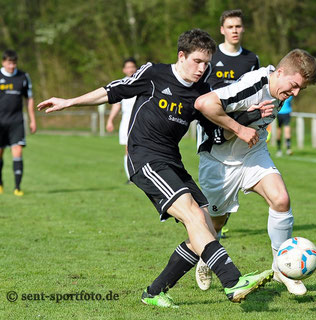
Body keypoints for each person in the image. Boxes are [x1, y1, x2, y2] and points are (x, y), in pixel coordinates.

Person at [37, 29, 274, 308]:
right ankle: (233, 282)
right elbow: (112, 91)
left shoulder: (202, 93)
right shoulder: (154, 73)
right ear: (181, 56)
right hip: (144, 158)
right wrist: (69, 102)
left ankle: (154, 292)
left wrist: (251, 116)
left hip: (172, 161)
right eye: (197, 61)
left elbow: (220, 127)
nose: (202, 69)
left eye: (206, 63)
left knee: (204, 225)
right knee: (192, 216)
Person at [195, 49, 316, 296]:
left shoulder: (280, 90)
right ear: (280, 72)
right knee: (216, 222)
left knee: (281, 200)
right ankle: (206, 256)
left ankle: (282, 269)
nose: (295, 94)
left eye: (300, 90)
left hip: (254, 154)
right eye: (294, 86)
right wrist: (240, 128)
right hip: (220, 160)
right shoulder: (253, 86)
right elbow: (203, 104)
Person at [205, 9, 260, 240]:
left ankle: (221, 218)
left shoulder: (251, 59)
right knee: (215, 174)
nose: (234, 30)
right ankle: (213, 218)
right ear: (222, 30)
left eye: (238, 26)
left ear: (243, 28)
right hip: (212, 122)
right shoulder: (211, 56)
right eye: (230, 27)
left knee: (237, 170)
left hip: (242, 124)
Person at [0, 49, 36, 196]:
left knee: (18, 151)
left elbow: (30, 99)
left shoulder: (23, 77)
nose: (12, 66)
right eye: (9, 63)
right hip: (0, 122)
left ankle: (17, 187)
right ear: (3, 62)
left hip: (16, 121)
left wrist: (33, 120)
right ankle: (0, 184)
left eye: (14, 63)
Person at [106, 57, 138, 182]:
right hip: (126, 120)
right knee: (128, 149)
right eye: (128, 67)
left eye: (132, 66)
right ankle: (131, 176)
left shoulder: (141, 81)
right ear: (124, 70)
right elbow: (116, 105)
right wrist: (110, 120)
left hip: (140, 119)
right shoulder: (121, 84)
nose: (130, 69)